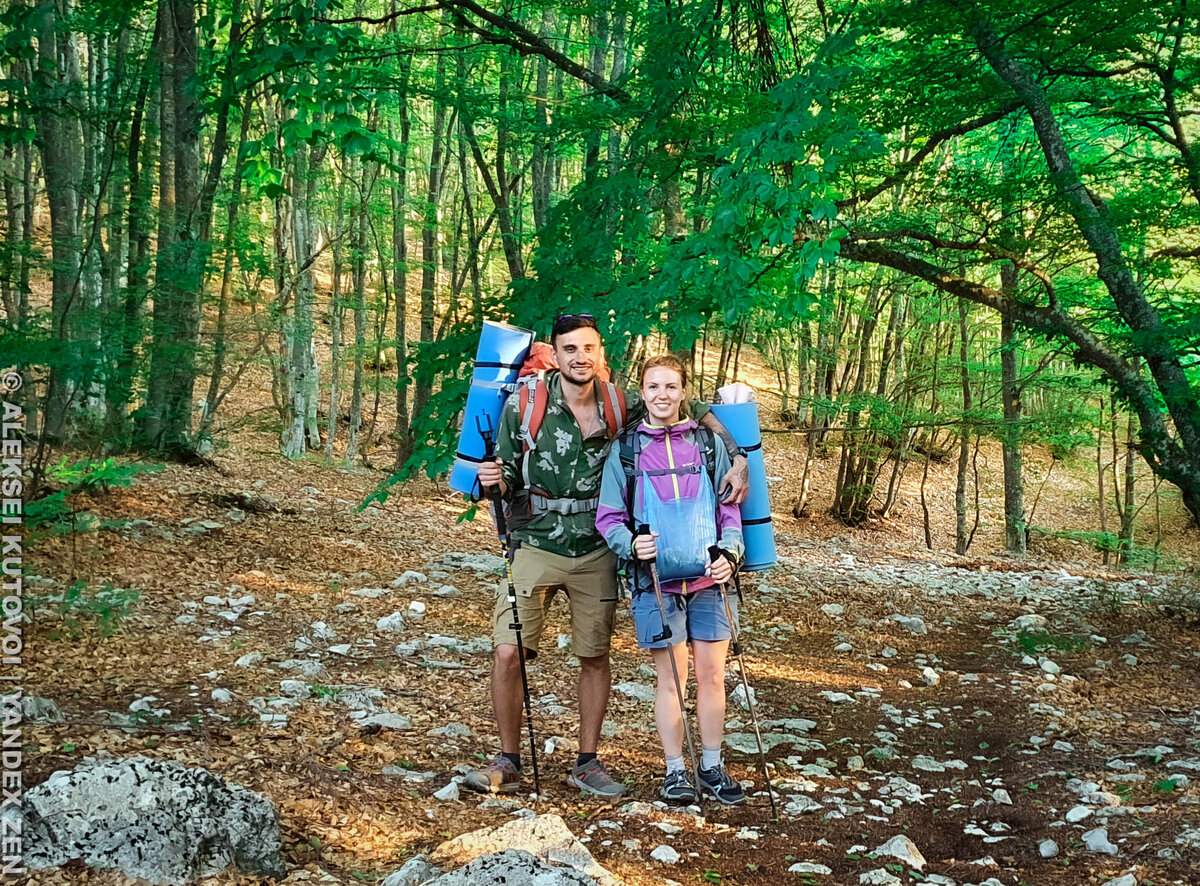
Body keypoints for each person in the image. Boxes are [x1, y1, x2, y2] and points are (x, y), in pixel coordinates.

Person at [464, 314, 749, 796]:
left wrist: (738, 456)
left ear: (601, 353)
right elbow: (506, 472)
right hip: (535, 540)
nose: (580, 357)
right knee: (508, 650)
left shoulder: (621, 401)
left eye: (589, 348)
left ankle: (587, 762)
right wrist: (494, 481)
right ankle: (508, 759)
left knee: (594, 655)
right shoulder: (525, 403)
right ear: (555, 354)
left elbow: (687, 407)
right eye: (570, 349)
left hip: (596, 549)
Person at [595, 354, 746, 805]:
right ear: (642, 393)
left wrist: (731, 554)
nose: (662, 395)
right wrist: (631, 544)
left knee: (713, 676)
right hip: (654, 583)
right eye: (654, 387)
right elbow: (609, 516)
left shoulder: (707, 443)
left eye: (671, 387)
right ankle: (675, 771)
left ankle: (712, 766)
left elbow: (729, 510)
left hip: (710, 580)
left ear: (684, 392)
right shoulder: (626, 450)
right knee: (671, 680)